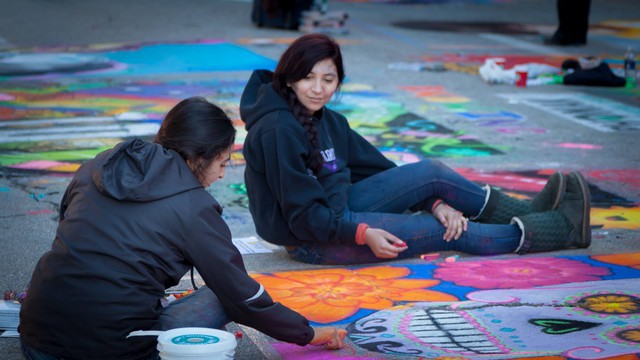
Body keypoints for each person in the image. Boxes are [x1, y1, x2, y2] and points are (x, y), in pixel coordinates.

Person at [19, 96, 346, 360]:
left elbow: (68, 226)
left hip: (35, 337)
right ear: (198, 159)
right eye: (222, 163)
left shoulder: (98, 165)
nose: (221, 175)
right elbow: (242, 297)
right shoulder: (194, 208)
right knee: (221, 295)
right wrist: (309, 333)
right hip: (110, 350)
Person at [240, 33, 591, 266]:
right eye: (308, 78)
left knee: (430, 174)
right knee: (443, 232)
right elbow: (305, 217)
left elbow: (382, 171)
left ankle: (532, 210)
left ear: (339, 81)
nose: (318, 89)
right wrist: (362, 233)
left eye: (328, 80)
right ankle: (557, 229)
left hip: (338, 210)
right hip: (311, 237)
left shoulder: (328, 120)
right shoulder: (277, 130)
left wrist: (436, 203)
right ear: (288, 78)